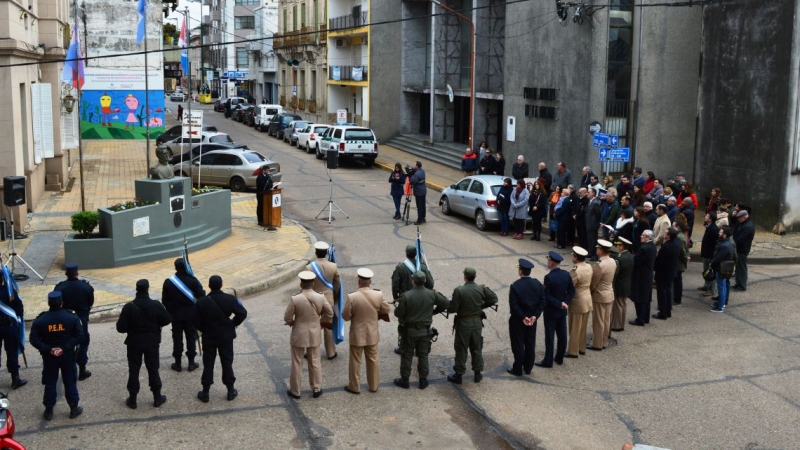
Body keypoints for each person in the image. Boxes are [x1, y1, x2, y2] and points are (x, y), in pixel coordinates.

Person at [116, 279, 172, 409]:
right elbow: (167, 319)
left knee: (134, 370)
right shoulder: (155, 305)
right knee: (153, 369)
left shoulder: (129, 307)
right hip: (152, 342)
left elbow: (121, 328)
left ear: (136, 289)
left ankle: (133, 399)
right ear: (148, 289)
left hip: (134, 343)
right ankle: (157, 397)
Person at [29, 291, 85, 420]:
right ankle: (73, 408)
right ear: (62, 303)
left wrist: (48, 349)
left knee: (50, 382)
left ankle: (49, 410)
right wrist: (65, 348)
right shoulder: (71, 317)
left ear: (49, 303)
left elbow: (34, 339)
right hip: (67, 355)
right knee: (70, 381)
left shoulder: (41, 319)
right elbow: (80, 335)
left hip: (49, 357)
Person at [193, 275, 248, 403]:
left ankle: (205, 392)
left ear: (209, 286)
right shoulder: (230, 299)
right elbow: (242, 313)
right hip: (225, 336)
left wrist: (204, 328)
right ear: (222, 285)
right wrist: (233, 323)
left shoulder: (202, 301)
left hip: (209, 336)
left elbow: (194, 320)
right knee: (227, 362)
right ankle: (230, 390)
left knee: (208, 364)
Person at [393, 271, 448, 389]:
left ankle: (405, 379)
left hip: (409, 331)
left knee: (407, 355)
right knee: (423, 355)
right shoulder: (432, 294)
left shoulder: (407, 296)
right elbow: (445, 303)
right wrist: (433, 312)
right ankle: (423, 380)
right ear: (424, 281)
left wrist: (398, 307)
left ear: (413, 282)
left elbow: (399, 314)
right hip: (425, 332)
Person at [285, 271, 333, 399]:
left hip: (299, 333)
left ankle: (296, 391)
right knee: (315, 361)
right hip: (314, 332)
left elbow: (287, 317)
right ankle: (316, 388)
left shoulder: (295, 298)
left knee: (297, 362)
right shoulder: (320, 297)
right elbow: (329, 313)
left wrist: (292, 323)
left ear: (301, 283)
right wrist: (321, 323)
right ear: (312, 283)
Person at [342, 268, 390, 394]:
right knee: (373, 360)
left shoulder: (352, 297)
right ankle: (373, 386)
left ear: (359, 282)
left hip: (357, 334)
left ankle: (354, 386)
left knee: (355, 361)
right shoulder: (378, 295)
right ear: (370, 282)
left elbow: (345, 316)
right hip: (372, 333)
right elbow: (386, 310)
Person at [446, 267, 498, 384]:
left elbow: (453, 308)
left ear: (465, 276)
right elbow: (494, 299)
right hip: (477, 323)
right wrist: (481, 306)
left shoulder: (459, 290)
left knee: (461, 348)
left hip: (464, 323)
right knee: (476, 347)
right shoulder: (481, 288)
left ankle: (459, 374)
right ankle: (477, 373)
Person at [162, 258, 206, 373]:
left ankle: (177, 363)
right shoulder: (193, 281)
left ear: (175, 267)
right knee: (190, 338)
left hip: (176, 315)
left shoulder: (168, 282)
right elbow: (201, 297)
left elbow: (165, 301)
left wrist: (171, 311)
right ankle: (191, 363)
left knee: (177, 339)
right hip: (191, 315)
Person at [54, 263, 95, 381]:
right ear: (77, 273)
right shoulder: (85, 287)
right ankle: (82, 369)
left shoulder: (60, 288)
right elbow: (90, 302)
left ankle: (68, 369)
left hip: (65, 319)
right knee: (83, 342)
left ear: (66, 274)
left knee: (67, 342)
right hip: (81, 319)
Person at [391, 245, 434, 355]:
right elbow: (431, 283)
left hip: (405, 298)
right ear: (415, 254)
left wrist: (396, 299)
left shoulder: (400, 267)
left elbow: (395, 285)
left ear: (406, 253)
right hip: (422, 299)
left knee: (404, 323)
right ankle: (422, 345)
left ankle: (403, 346)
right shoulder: (422, 267)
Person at [507, 259, 545, 376]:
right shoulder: (537, 284)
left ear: (520, 271)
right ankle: (528, 367)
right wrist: (535, 316)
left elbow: (514, 305)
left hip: (518, 320)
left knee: (518, 344)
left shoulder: (515, 286)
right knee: (530, 343)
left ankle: (517, 368)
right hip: (532, 320)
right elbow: (542, 301)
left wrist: (523, 317)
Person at [536, 252, 574, 368]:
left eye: (548, 261)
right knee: (562, 335)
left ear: (551, 263)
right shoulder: (566, 274)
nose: (547, 263)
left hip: (551, 311)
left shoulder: (549, 277)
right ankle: (559, 357)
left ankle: (548, 360)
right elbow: (572, 291)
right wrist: (565, 303)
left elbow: (547, 296)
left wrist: (559, 304)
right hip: (562, 310)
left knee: (550, 336)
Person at [306, 241, 341, 359]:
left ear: (315, 252)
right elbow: (337, 285)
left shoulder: (309, 267)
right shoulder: (333, 266)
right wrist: (335, 297)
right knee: (328, 326)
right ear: (326, 253)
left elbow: (306, 285)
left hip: (314, 300)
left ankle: (310, 351)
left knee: (312, 326)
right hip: (328, 299)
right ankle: (331, 352)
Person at [588, 239, 616, 351]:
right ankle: (604, 341)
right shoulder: (612, 261)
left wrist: (589, 293)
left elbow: (593, 282)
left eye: (598, 249)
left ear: (601, 251)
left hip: (600, 295)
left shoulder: (599, 265)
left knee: (598, 321)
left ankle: (597, 343)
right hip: (609, 293)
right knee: (606, 320)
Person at [0, 275, 26, 390]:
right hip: (9, 326)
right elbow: (19, 307)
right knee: (11, 351)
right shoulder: (9, 290)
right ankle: (15, 378)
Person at [567, 247, 593, 358]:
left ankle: (573, 351)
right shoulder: (588, 266)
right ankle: (582, 348)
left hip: (578, 300)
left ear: (576, 257)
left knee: (575, 327)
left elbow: (570, 286)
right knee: (583, 326)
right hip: (587, 298)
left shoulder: (575, 270)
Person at [629, 230, 657, 326]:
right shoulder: (652, 246)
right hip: (648, 275)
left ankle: (640, 319)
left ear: (648, 237)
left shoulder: (644, 248)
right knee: (646, 298)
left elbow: (635, 261)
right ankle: (645, 317)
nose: (641, 236)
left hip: (641, 276)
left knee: (640, 298)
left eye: (643, 235)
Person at [653, 228, 680, 320]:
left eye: (665, 233)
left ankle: (662, 312)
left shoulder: (666, 246)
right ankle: (667, 311)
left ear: (669, 236)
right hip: (671, 272)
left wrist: (655, 268)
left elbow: (660, 261)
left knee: (662, 293)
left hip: (663, 273)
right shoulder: (676, 244)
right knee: (668, 292)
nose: (664, 234)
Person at [610, 237, 634, 332]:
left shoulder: (620, 259)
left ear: (622, 246)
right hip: (626, 283)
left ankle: (617, 325)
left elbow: (616, 273)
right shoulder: (629, 256)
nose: (616, 246)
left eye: (618, 245)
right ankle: (620, 323)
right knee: (623, 305)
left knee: (618, 306)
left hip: (620, 284)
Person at [710, 226, 735, 312]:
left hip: (721, 269)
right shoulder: (728, 243)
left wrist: (712, 263)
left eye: (721, 232)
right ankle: (722, 303)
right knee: (723, 286)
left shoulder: (724, 246)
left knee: (721, 287)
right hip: (723, 268)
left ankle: (720, 306)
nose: (719, 233)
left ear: (725, 235)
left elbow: (718, 258)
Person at [733, 210, 755, 292]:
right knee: (738, 268)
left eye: (740, 218)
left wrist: (733, 243)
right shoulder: (743, 224)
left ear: (744, 217)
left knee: (741, 268)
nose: (738, 219)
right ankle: (738, 284)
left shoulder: (748, 227)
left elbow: (740, 239)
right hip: (740, 249)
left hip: (742, 250)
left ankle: (742, 285)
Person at [699, 212, 720, 297]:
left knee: (710, 272)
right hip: (706, 253)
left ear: (710, 219)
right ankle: (706, 286)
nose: (705, 217)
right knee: (706, 271)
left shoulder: (714, 229)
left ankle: (711, 289)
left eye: (707, 216)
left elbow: (714, 244)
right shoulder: (709, 227)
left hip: (710, 254)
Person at [672, 219, 690, 306]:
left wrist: (685, 258)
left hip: (679, 263)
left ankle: (677, 299)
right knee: (677, 280)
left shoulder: (679, 237)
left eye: (674, 226)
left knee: (677, 281)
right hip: (680, 262)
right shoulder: (682, 235)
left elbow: (682, 251)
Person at [585, 188, 602, 260]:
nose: (587, 193)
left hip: (593, 224)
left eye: (588, 192)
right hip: (589, 224)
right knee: (589, 239)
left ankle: (594, 255)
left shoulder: (595, 203)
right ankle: (590, 252)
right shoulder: (590, 201)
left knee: (593, 240)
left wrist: (596, 223)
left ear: (593, 193)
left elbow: (598, 214)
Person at [410, 161, 427, 225]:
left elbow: (413, 181)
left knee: (419, 206)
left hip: (419, 191)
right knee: (423, 205)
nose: (414, 165)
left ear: (417, 166)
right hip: (423, 190)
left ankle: (419, 219)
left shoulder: (416, 174)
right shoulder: (422, 171)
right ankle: (423, 217)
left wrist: (411, 175)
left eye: (414, 165)